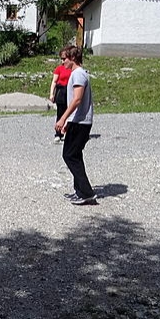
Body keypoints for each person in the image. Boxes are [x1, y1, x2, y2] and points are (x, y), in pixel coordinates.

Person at [54, 46, 97, 206]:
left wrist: (63, 118)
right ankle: (80, 191)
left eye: (64, 58)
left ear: (73, 58)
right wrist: (68, 122)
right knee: (75, 155)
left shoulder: (78, 74)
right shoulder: (77, 74)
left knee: (70, 155)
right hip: (77, 121)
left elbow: (77, 99)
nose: (62, 62)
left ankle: (87, 193)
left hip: (81, 122)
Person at [49, 46, 73, 143]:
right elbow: (54, 82)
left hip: (70, 91)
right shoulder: (59, 69)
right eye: (61, 59)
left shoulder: (73, 69)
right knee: (60, 113)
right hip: (61, 91)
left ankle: (69, 133)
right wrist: (52, 94)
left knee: (70, 113)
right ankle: (58, 133)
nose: (62, 61)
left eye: (64, 58)